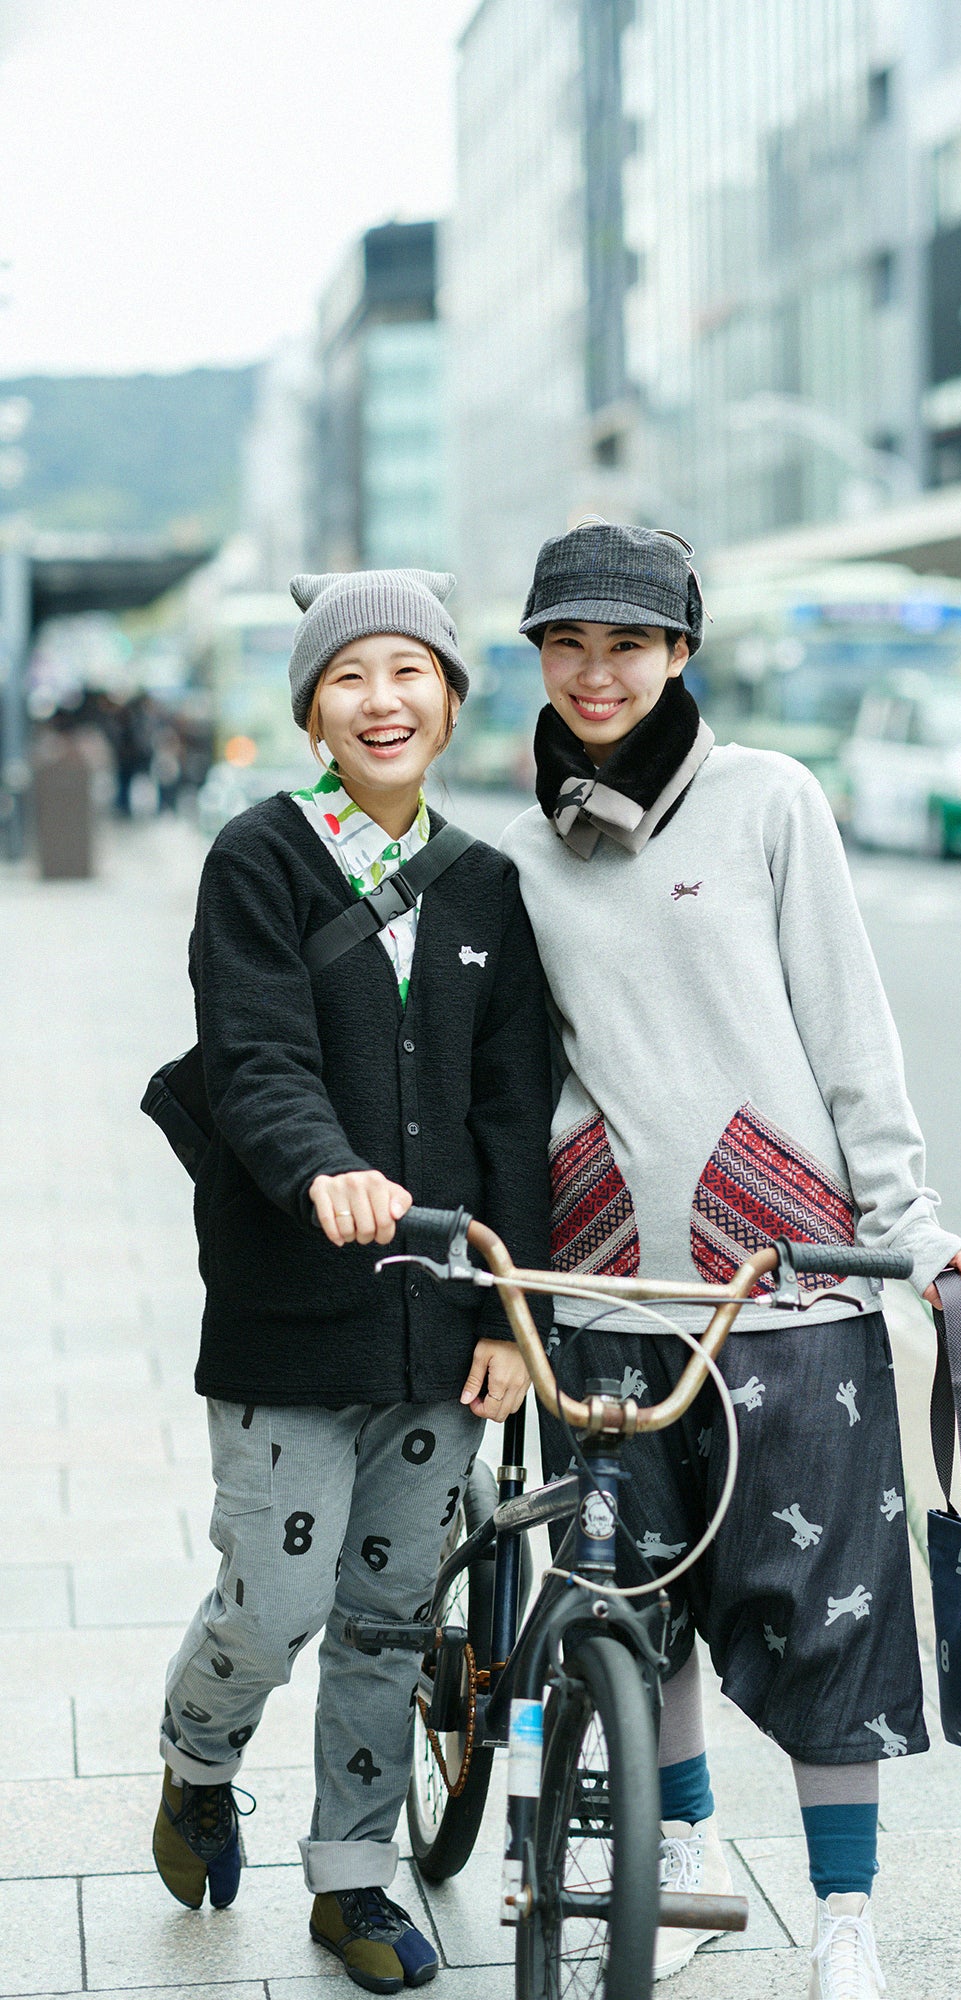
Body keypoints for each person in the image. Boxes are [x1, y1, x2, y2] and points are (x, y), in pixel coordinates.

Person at [499, 521, 961, 2000]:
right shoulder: (513, 851)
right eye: (567, 644)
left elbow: (848, 1030)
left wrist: (907, 1228)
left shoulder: (770, 801)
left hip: (787, 1287)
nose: (596, 673)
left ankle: (845, 1920)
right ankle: (684, 1843)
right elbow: (502, 1079)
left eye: (627, 644)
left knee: (829, 1609)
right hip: (601, 1292)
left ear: (680, 654)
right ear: (536, 657)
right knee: (632, 1597)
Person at [152, 568, 551, 1994]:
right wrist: (320, 1164)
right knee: (277, 1594)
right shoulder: (256, 860)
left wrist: (516, 1313)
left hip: (443, 1327)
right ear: (313, 709)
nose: (382, 702)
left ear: (450, 695)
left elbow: (514, 1114)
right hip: (287, 1316)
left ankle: (353, 1880)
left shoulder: (488, 885)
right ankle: (199, 1758)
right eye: (348, 678)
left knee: (389, 1620)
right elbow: (253, 1050)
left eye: (408, 674)